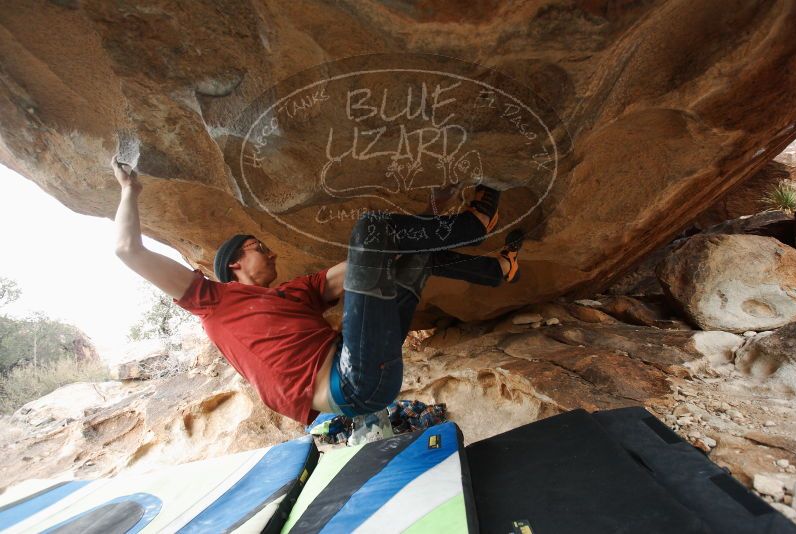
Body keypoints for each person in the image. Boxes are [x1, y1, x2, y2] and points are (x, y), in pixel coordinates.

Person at [112, 155, 522, 425]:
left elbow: (373, 259)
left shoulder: (294, 293)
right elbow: (127, 249)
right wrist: (130, 189)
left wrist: (427, 219)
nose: (271, 252)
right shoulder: (214, 303)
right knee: (368, 228)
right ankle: (472, 225)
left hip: (370, 363)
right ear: (233, 263)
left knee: (410, 256)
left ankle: (499, 269)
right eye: (259, 246)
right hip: (353, 381)